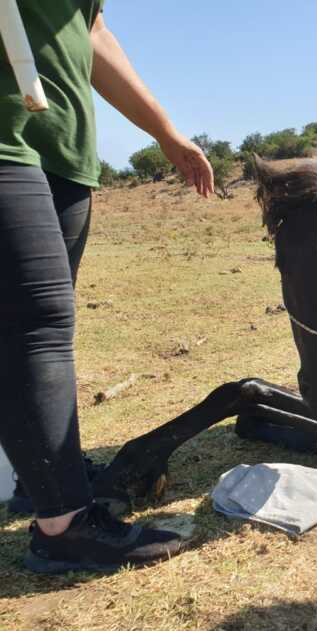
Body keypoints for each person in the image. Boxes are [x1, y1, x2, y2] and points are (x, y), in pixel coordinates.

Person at [0, 2, 214, 573]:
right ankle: (63, 527)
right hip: (5, 139)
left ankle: (39, 477)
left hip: (61, 150)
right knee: (37, 327)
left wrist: (165, 132)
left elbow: (90, 33)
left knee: (35, 328)